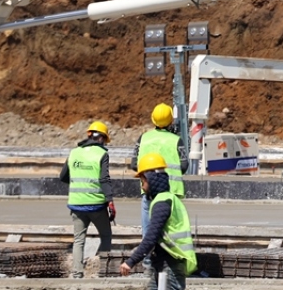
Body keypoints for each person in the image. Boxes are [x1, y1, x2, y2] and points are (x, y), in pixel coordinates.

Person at [120, 153, 198, 290]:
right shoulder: (165, 199)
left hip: (170, 265)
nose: (142, 186)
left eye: (143, 181)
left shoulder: (162, 203)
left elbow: (151, 237)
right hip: (164, 263)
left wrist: (131, 261)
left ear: (151, 179)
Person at [59, 121, 114, 279]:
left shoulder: (74, 153)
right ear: (102, 138)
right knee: (105, 235)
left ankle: (77, 273)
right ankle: (104, 271)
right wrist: (110, 201)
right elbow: (104, 180)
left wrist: (78, 180)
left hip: (76, 205)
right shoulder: (102, 154)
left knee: (78, 239)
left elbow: (63, 177)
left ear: (89, 135)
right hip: (96, 205)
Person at [132, 103, 189, 237]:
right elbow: (185, 165)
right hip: (171, 190)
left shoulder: (143, 138)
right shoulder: (176, 140)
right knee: (170, 227)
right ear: (171, 120)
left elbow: (134, 164)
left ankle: (148, 256)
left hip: (149, 189)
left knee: (148, 227)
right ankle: (168, 255)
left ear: (153, 119)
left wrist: (148, 176)